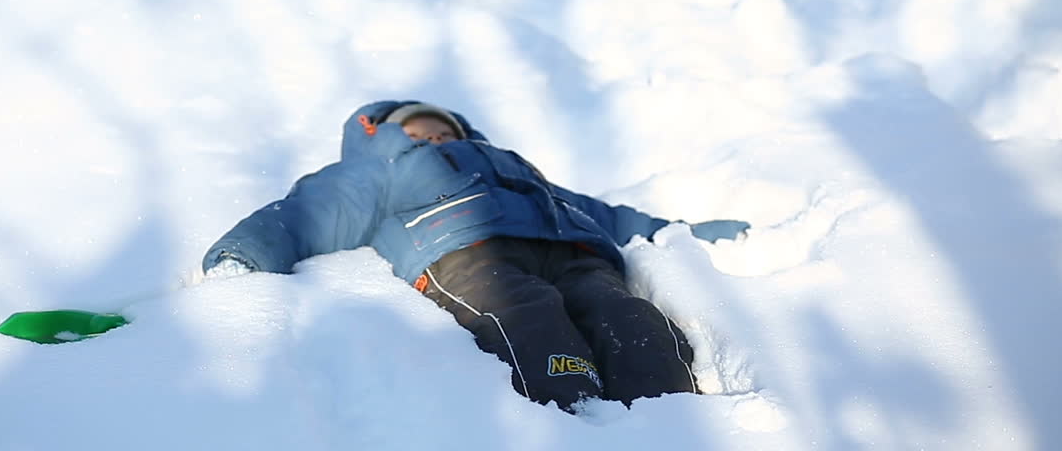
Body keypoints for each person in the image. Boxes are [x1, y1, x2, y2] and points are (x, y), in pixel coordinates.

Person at [202, 100, 749, 411]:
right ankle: (573, 415)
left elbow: (605, 215)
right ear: (383, 136)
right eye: (420, 131)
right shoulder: (385, 168)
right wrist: (243, 256)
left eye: (446, 130)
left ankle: (667, 417)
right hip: (463, 250)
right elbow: (308, 212)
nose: (437, 137)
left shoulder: (514, 166)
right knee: (525, 313)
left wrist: (699, 234)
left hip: (574, 254)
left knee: (626, 315)